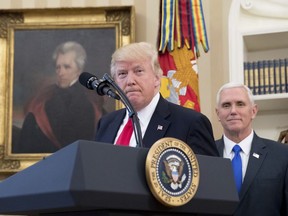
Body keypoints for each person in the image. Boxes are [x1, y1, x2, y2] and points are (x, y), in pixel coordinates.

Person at [95, 42, 219, 156]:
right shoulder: (106, 123)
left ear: (157, 78)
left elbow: (209, 176)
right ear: (115, 81)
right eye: (122, 74)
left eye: (138, 71)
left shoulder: (190, 123)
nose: (130, 81)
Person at [14, 41, 106, 153]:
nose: (60, 72)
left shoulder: (91, 101)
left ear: (79, 70)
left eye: (67, 67)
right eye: (58, 67)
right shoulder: (43, 99)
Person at [215, 82, 288, 216]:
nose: (233, 111)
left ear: (253, 111)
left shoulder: (282, 155)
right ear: (218, 113)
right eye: (226, 105)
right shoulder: (204, 154)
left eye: (240, 104)